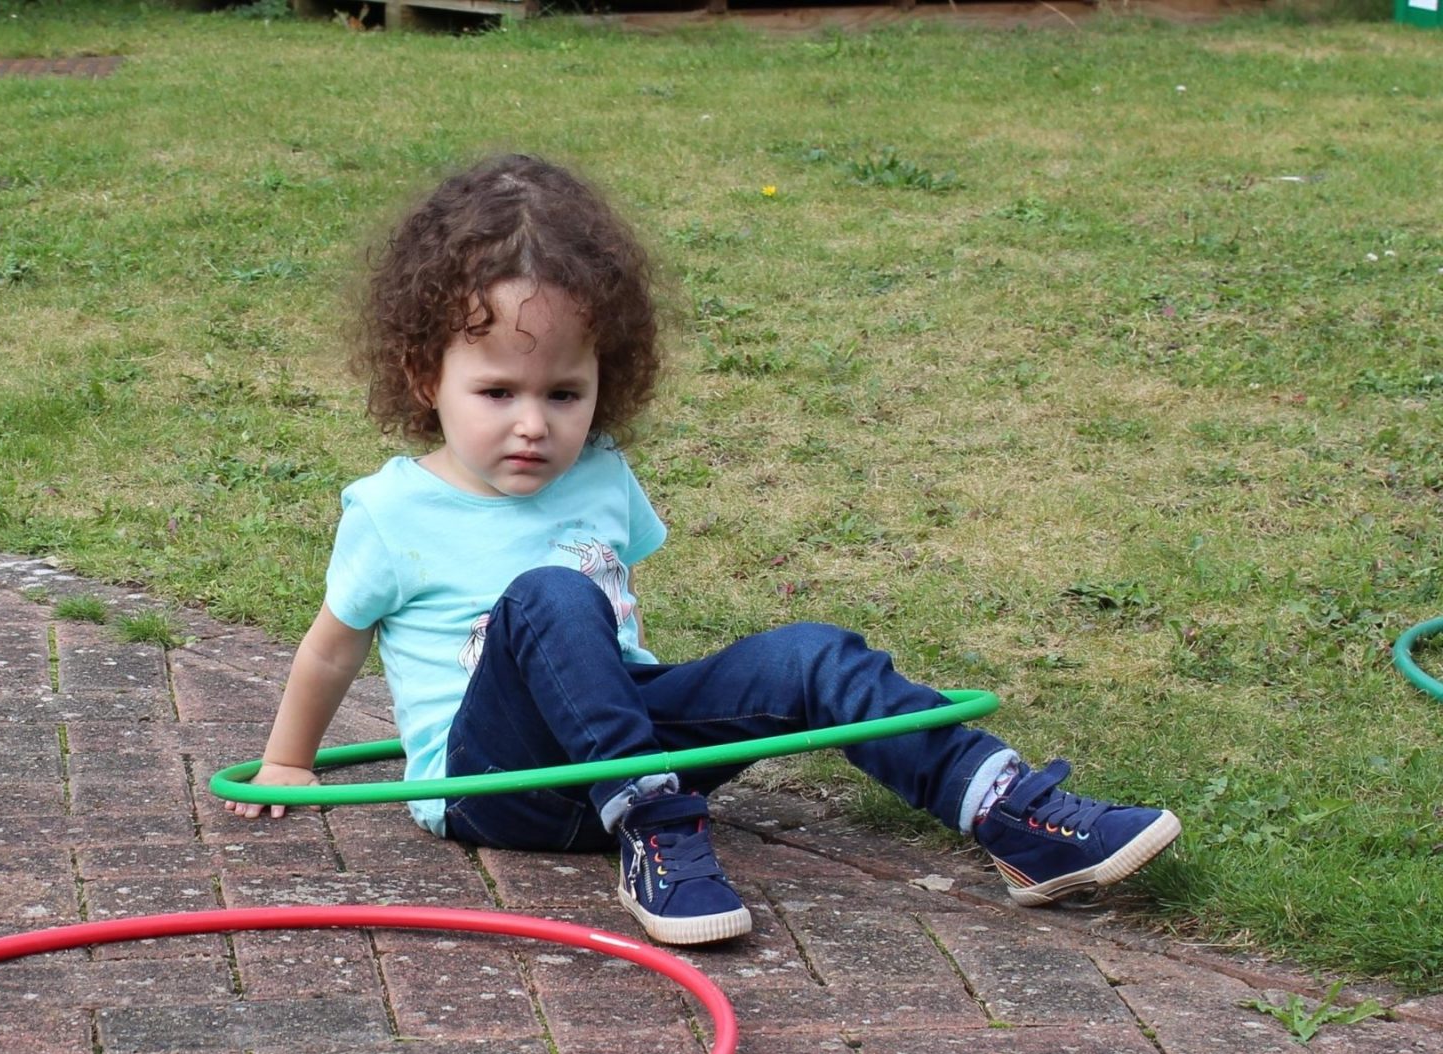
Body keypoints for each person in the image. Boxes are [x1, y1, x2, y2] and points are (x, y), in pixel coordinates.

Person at [224, 153, 1180, 947]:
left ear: (609, 379)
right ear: (421, 373)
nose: (533, 425)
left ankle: (1015, 818)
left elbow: (618, 628)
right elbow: (332, 647)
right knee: (550, 597)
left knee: (808, 653)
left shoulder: (600, 475)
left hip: (628, 736)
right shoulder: (395, 510)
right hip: (496, 786)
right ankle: (654, 831)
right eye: (498, 393)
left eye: (564, 393)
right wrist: (287, 762)